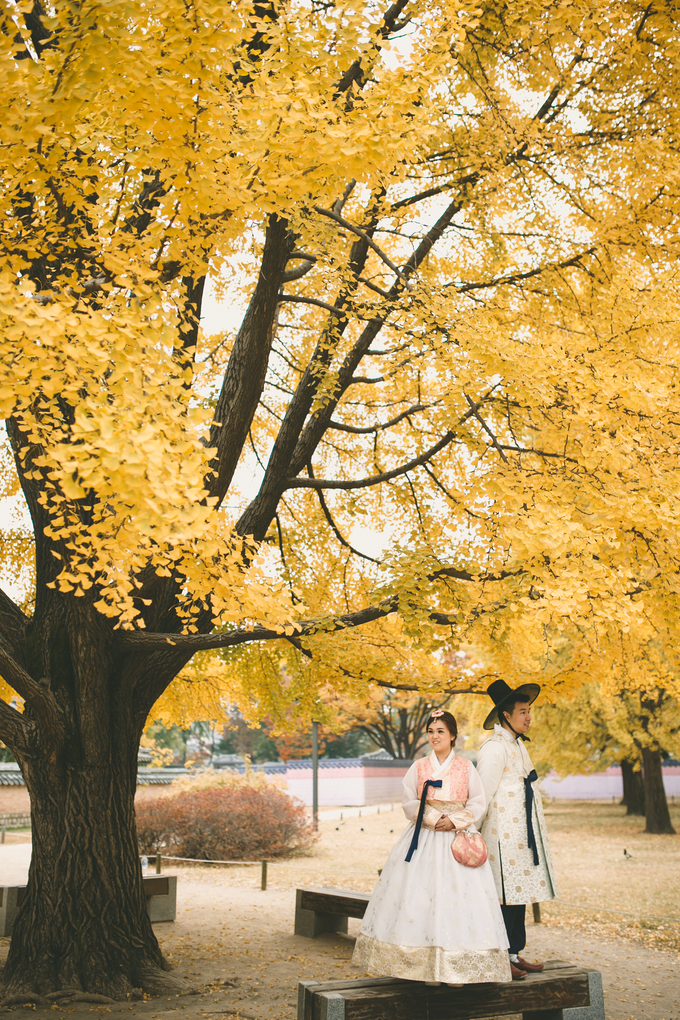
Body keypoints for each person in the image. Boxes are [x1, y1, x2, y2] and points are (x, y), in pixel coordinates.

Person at [352, 710, 511, 985]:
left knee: (460, 900)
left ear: (452, 736)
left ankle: (458, 968)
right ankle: (420, 967)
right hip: (424, 836)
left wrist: (454, 820)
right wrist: (433, 817)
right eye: (431, 731)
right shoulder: (418, 767)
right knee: (419, 897)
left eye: (440, 731)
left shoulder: (466, 767)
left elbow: (477, 802)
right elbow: (409, 802)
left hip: (457, 836)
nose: (434, 736)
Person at [476, 679, 557, 981]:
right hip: (500, 837)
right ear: (506, 716)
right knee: (502, 897)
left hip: (521, 836)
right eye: (522, 711)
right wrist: (470, 832)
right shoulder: (494, 749)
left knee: (517, 895)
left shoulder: (517, 745)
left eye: (529, 711)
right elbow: (482, 794)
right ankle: (498, 956)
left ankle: (513, 953)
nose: (528, 717)